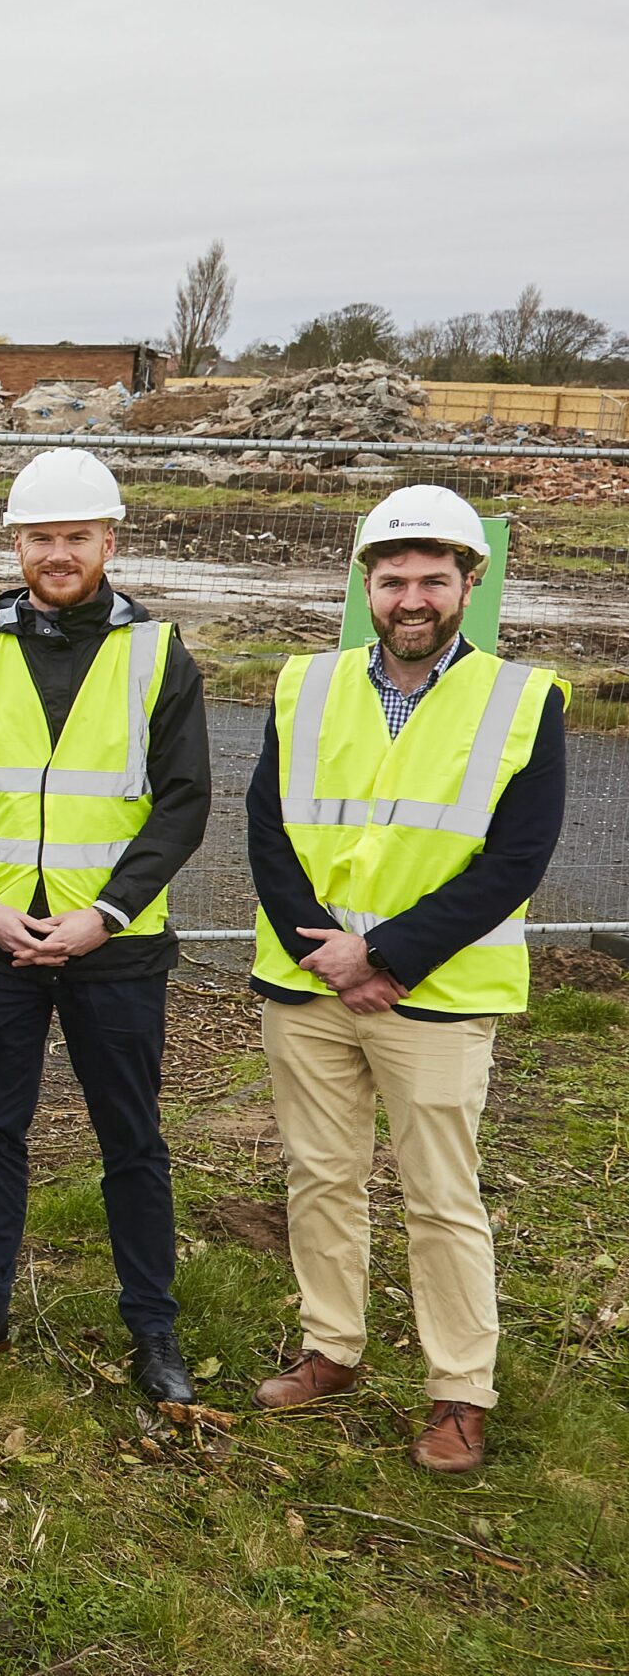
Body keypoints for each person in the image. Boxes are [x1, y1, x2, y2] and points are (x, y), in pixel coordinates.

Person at [246, 488, 565, 1475]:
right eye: (393, 580)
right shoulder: (303, 683)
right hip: (309, 989)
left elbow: (515, 860)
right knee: (322, 1176)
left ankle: (459, 1392)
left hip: (436, 996)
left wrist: (383, 958)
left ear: (470, 582)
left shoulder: (522, 699)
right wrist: (324, 955)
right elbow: (266, 830)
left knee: (440, 1197)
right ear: (365, 586)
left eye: (433, 578)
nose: (412, 597)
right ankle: (330, 1349)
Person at [0, 448, 211, 1405]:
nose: (58, 553)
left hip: (113, 950)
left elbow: (183, 803)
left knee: (132, 1136)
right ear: (16, 544)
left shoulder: (160, 656)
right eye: (41, 537)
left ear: (109, 541)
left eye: (76, 536)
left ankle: (152, 1329)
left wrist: (104, 915)